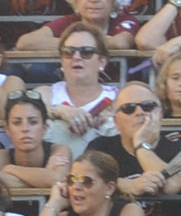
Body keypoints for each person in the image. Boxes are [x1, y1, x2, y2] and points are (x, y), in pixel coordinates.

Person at [15, 0, 137, 55]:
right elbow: (25, 42)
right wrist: (77, 45)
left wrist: (72, 46)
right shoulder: (71, 21)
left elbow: (120, 43)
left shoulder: (124, 19)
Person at [41, 27, 121, 159]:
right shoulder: (46, 93)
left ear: (102, 61)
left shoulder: (119, 98)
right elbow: (31, 112)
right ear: (62, 61)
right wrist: (59, 111)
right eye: (69, 52)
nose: (76, 57)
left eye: (86, 52)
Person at [0, 95, 72, 193]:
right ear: (7, 129)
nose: (25, 129)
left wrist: (10, 169)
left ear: (45, 128)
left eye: (33, 122)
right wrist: (45, 176)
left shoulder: (60, 150)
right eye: (17, 123)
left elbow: (57, 179)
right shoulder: (1, 155)